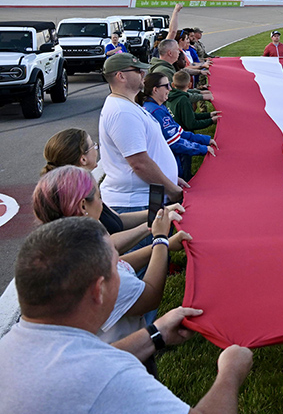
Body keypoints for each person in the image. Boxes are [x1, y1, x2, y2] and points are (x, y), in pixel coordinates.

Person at [0, 217, 253, 413]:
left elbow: (82, 364)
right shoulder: (110, 378)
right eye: (116, 268)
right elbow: (98, 371)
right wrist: (230, 372)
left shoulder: (11, 348)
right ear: (98, 290)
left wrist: (156, 333)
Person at [22, 167, 185, 345]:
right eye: (99, 196)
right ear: (83, 206)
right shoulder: (89, 261)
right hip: (121, 355)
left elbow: (118, 265)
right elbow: (149, 296)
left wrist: (161, 247)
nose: (101, 202)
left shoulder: (57, 247)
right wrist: (160, 239)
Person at [98, 53, 187, 213]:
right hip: (136, 203)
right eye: (138, 71)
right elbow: (139, 163)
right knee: (151, 236)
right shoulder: (122, 112)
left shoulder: (128, 105)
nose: (143, 74)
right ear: (121, 76)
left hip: (150, 194)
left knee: (159, 235)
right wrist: (172, 190)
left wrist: (170, 178)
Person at [138, 72, 215, 182]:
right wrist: (203, 148)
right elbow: (175, 143)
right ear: (155, 90)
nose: (170, 89)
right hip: (169, 164)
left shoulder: (156, 106)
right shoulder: (157, 111)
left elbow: (180, 132)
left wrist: (206, 140)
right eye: (166, 86)